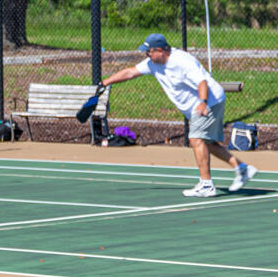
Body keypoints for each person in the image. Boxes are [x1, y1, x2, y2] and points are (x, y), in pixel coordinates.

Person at [101, 33, 257, 197]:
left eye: (149, 52)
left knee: (196, 139)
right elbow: (130, 72)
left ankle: (206, 185)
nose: (147, 55)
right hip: (206, 103)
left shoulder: (182, 62)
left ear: (160, 51)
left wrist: (203, 102)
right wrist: (105, 83)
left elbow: (201, 81)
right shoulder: (153, 63)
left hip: (209, 101)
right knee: (208, 143)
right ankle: (242, 169)